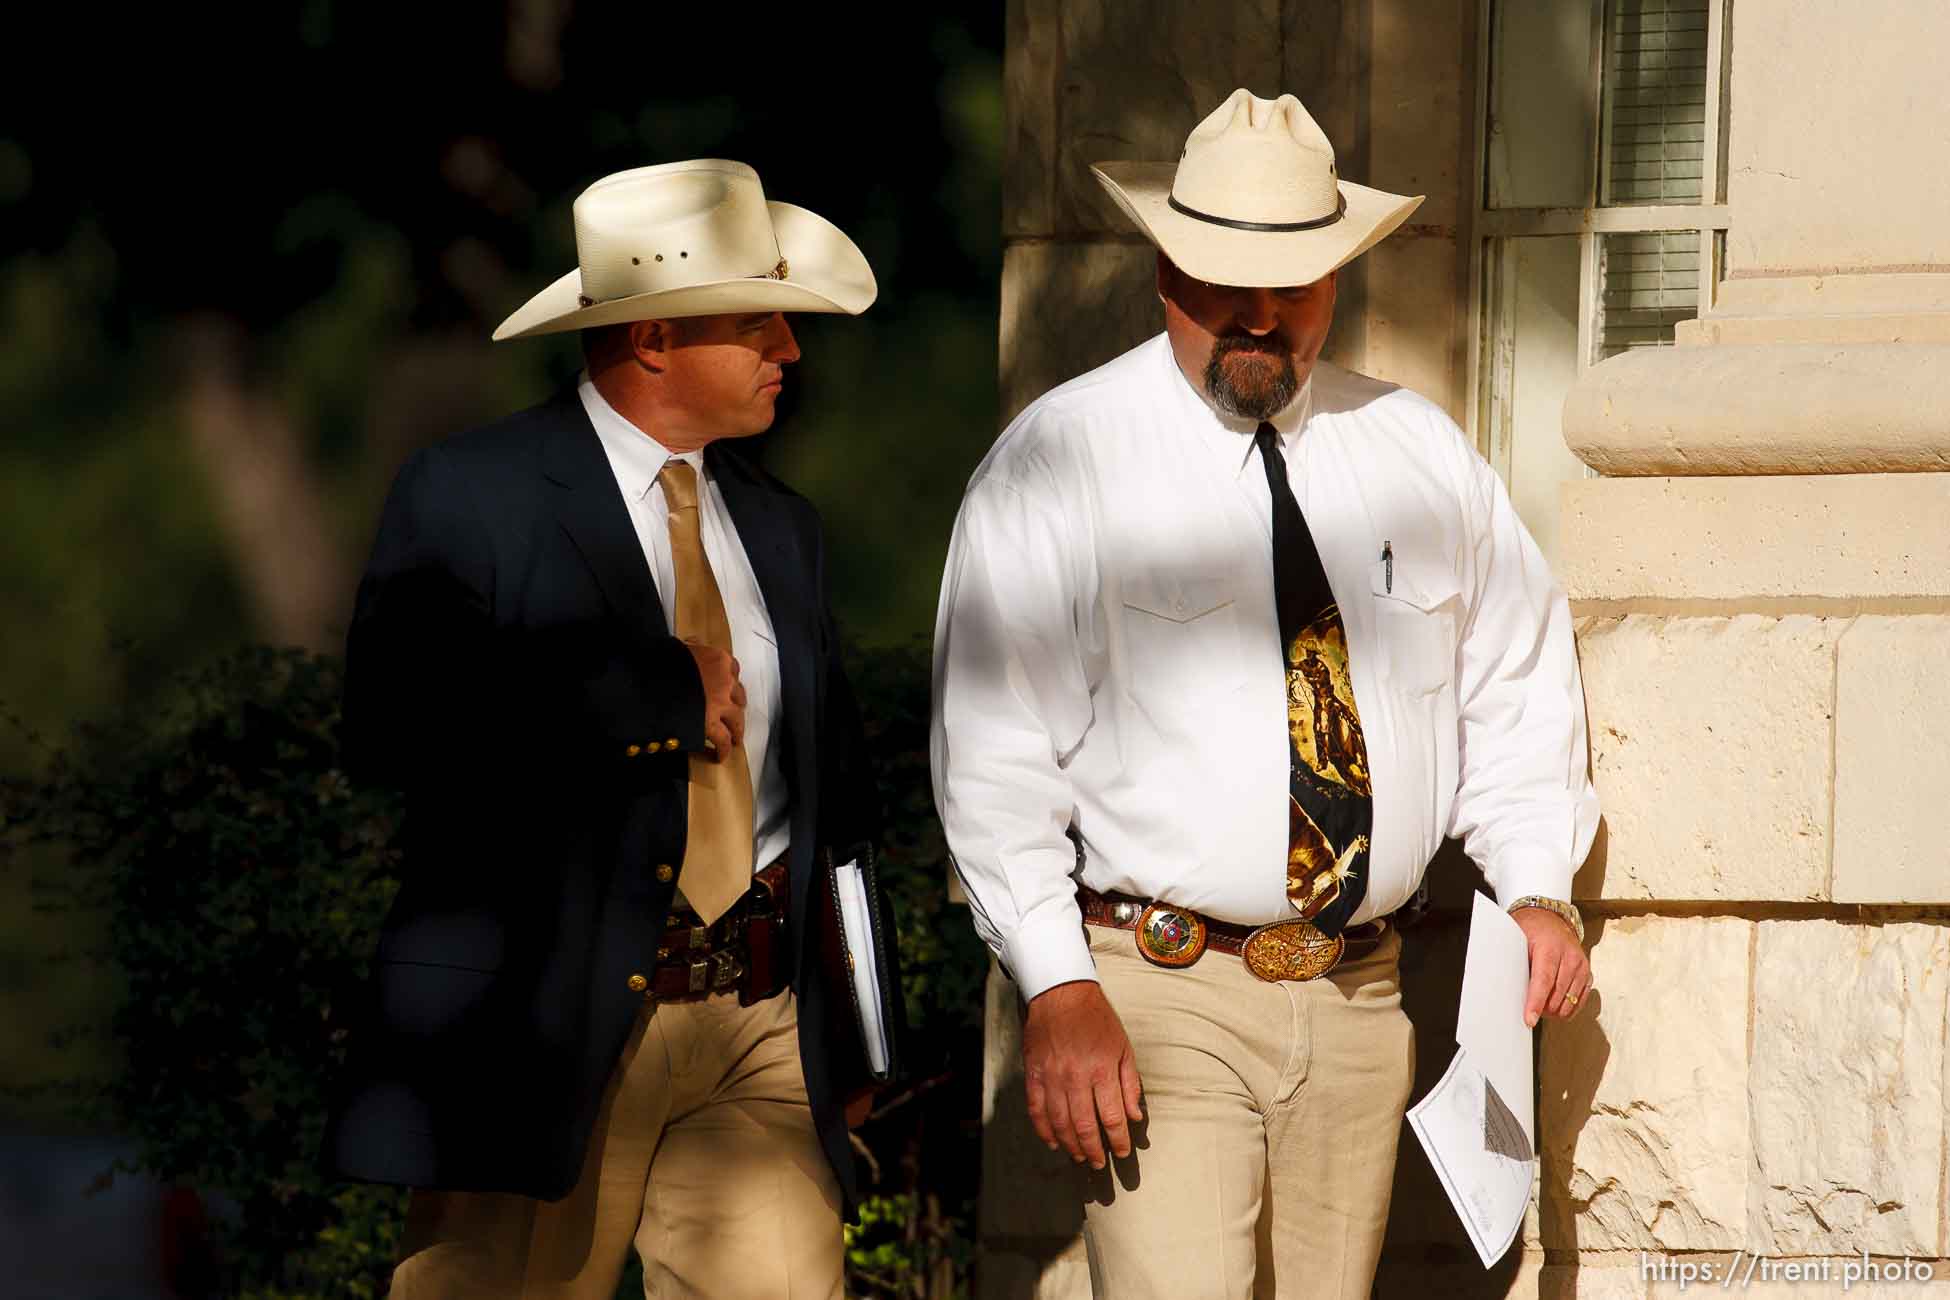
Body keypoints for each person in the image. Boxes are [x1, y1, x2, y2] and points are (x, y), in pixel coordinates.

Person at [930, 90, 1599, 1298]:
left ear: (1337, 279)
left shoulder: (1419, 452)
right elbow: (992, 753)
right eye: (1224, 279)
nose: (1258, 313)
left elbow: (1515, 682)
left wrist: (1538, 879)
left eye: (1292, 282)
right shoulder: (1059, 460)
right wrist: (1057, 980)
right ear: (1164, 271)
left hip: (1361, 1000)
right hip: (1159, 993)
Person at [322, 158, 889, 1299]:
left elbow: (839, 804)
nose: (789, 348)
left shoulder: (784, 527)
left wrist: (861, 1032)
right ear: (653, 342)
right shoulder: (469, 492)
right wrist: (647, 694)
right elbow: (391, 724)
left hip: (760, 1027)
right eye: (758, 321)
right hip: (537, 1030)